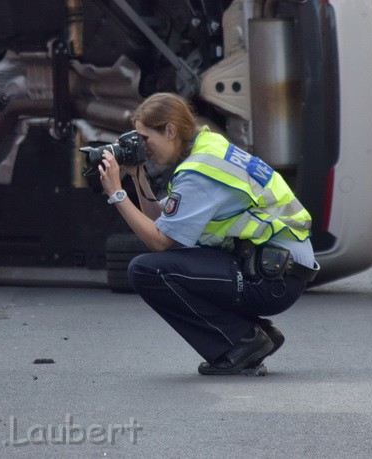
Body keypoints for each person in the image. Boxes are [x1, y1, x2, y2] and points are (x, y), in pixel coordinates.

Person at [98, 92, 317, 375]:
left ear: (170, 130)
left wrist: (117, 194)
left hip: (272, 278)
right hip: (275, 268)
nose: (143, 146)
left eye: (145, 138)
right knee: (172, 261)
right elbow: (164, 223)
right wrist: (137, 174)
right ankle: (256, 332)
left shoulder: (199, 172)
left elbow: (160, 242)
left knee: (146, 270)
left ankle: (241, 341)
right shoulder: (209, 146)